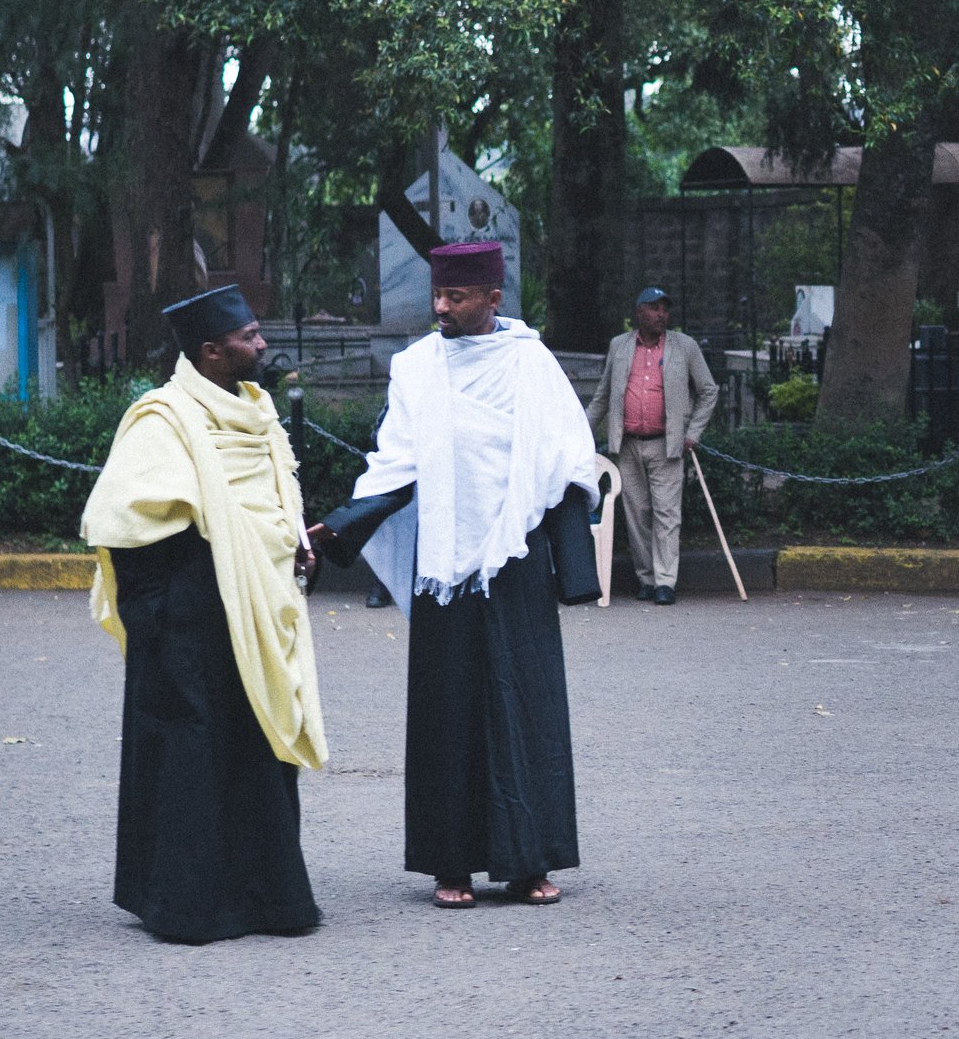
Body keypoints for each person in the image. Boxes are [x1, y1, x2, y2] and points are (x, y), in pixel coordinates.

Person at [308, 242, 601, 911]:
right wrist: (339, 526)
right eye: (437, 296)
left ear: (493, 299)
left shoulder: (531, 364)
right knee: (449, 716)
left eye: (457, 297)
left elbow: (569, 462)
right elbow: (396, 465)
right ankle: (451, 866)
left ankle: (529, 864)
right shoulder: (417, 369)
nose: (441, 306)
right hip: (444, 569)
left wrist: (574, 569)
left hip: (516, 562)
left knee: (527, 709)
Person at [79, 284, 327, 944]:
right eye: (248, 336)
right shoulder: (160, 420)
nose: (262, 342)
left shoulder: (261, 413)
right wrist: (182, 612)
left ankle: (269, 898)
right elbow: (123, 524)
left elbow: (279, 501)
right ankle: (191, 907)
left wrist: (293, 547)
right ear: (212, 352)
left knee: (260, 751)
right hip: (192, 624)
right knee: (192, 754)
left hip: (257, 608)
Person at [586, 285, 719, 604]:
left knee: (667, 513)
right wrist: (579, 433)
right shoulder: (619, 345)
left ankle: (665, 582)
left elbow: (708, 390)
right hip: (627, 444)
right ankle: (645, 578)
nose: (662, 314)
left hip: (666, 444)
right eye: (654, 308)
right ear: (639, 313)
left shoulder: (683, 346)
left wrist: (694, 432)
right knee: (637, 513)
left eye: (665, 308)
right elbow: (603, 396)